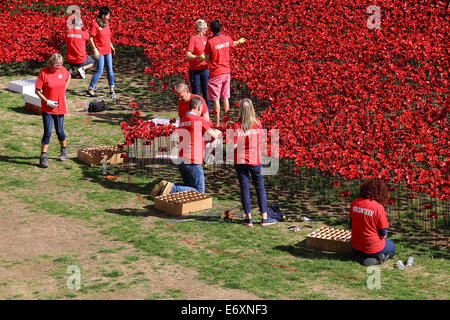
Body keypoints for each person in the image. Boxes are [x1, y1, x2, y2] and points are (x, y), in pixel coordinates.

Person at [151, 97, 220, 198]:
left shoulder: (183, 120)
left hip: (181, 159)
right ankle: (173, 188)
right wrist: (218, 133)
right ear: (199, 107)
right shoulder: (199, 120)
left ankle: (165, 187)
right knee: (200, 192)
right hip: (193, 160)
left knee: (189, 187)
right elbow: (212, 136)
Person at [232, 98, 276, 227]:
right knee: (259, 187)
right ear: (252, 109)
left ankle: (248, 218)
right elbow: (262, 142)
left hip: (240, 160)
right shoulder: (258, 123)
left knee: (244, 188)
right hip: (255, 160)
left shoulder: (235, 125)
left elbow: (232, 146)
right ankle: (264, 217)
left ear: (240, 110)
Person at [204, 19, 245, 126]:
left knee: (215, 99)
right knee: (225, 97)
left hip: (216, 73)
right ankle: (226, 122)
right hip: (226, 72)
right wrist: (239, 41)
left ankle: (217, 123)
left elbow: (207, 60)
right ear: (221, 28)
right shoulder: (227, 39)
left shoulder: (210, 42)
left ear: (211, 29)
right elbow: (232, 44)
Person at [35, 53, 71, 168]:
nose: (59, 67)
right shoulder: (43, 73)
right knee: (48, 132)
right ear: (51, 63)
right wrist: (47, 101)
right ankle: (43, 157)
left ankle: (64, 150)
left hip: (60, 106)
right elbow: (37, 91)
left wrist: (63, 91)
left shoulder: (62, 70)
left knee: (60, 131)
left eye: (60, 65)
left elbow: (68, 76)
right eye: (56, 65)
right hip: (47, 108)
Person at [349, 178, 396, 266]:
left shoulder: (354, 202)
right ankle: (379, 258)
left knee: (363, 249)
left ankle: (361, 257)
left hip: (355, 246)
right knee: (391, 245)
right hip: (373, 248)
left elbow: (351, 225)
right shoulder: (378, 207)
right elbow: (383, 233)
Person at [87, 6, 116, 99]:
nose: (109, 17)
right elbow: (90, 37)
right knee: (99, 71)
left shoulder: (106, 24)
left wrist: (111, 44)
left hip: (108, 50)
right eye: (108, 15)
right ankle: (90, 88)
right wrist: (94, 49)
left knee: (110, 70)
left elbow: (107, 36)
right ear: (103, 16)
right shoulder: (95, 25)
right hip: (100, 51)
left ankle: (112, 89)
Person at [186, 19, 210, 111]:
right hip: (195, 70)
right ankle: (196, 114)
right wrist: (198, 57)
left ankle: (206, 114)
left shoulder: (205, 38)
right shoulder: (193, 39)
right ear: (199, 29)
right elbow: (188, 54)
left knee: (206, 93)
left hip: (204, 69)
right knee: (196, 94)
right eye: (205, 28)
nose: (206, 30)